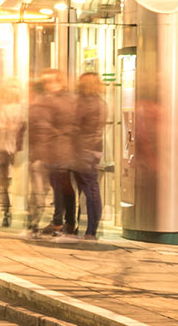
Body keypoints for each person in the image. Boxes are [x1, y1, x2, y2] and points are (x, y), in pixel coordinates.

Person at [28, 69, 75, 237]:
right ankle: (63, 222)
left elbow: (64, 125)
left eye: (49, 81)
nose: (46, 85)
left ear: (59, 82)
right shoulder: (48, 100)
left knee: (60, 187)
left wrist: (53, 132)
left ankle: (59, 223)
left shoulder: (62, 101)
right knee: (60, 187)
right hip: (51, 150)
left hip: (60, 149)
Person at [70, 72, 107, 240]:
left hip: (83, 150)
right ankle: (88, 228)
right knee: (89, 189)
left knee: (89, 190)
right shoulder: (101, 103)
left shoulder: (85, 104)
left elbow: (76, 126)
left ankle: (90, 230)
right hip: (93, 149)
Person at [0, 81, 26, 228]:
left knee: (3, 184)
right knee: (10, 183)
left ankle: (6, 212)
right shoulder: (22, 109)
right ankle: (8, 211)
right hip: (14, 150)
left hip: (4, 149)